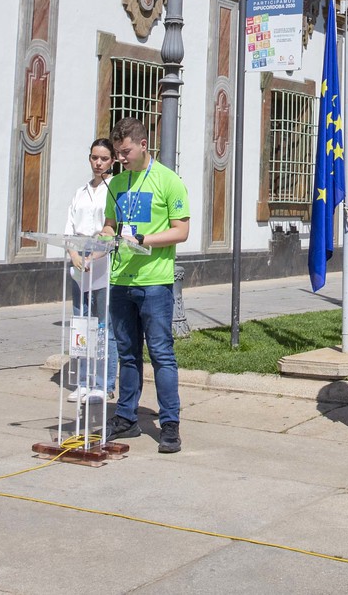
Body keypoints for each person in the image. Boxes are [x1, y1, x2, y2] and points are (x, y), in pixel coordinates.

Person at [104, 117, 191, 454]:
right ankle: (126, 417)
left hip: (154, 282)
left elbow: (181, 231)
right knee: (127, 354)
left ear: (143, 145)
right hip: (120, 279)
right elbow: (109, 226)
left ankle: (169, 424)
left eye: (125, 152)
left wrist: (144, 239)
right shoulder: (118, 183)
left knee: (161, 354)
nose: (121, 158)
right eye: (117, 153)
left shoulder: (168, 181)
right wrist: (101, 238)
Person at [65, 138, 120, 405]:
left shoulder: (113, 190)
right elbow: (69, 229)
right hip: (79, 262)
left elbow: (111, 230)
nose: (98, 163)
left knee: (103, 324)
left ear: (112, 161)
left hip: (102, 261)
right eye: (94, 158)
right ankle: (83, 380)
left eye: (104, 159)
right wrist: (75, 255)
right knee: (81, 322)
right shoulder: (80, 192)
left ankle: (104, 382)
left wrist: (94, 257)